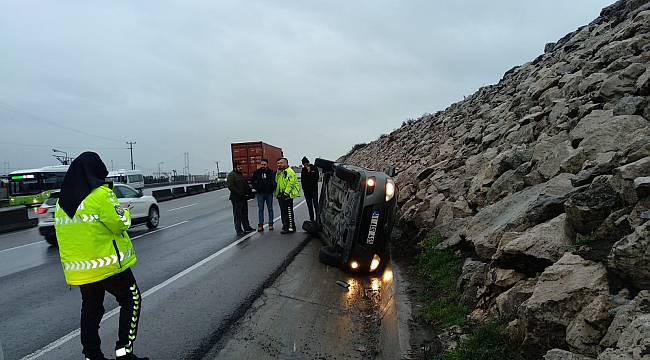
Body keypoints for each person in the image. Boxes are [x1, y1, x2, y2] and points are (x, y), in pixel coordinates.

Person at [54, 152, 148, 360]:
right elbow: (120, 224)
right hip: (108, 265)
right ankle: (124, 352)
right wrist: (124, 212)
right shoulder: (100, 195)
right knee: (131, 300)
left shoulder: (62, 203)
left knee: (91, 311)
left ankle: (92, 355)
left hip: (81, 271)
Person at [227, 161, 254, 236]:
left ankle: (247, 227)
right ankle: (238, 230)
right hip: (236, 198)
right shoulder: (231, 175)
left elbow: (245, 185)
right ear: (235, 167)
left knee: (244, 214)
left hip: (243, 198)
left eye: (240, 167)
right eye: (238, 167)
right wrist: (240, 193)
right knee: (237, 215)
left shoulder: (240, 174)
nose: (240, 168)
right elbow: (231, 186)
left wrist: (249, 193)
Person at [274, 157, 301, 234]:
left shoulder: (289, 171)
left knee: (288, 212)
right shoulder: (281, 172)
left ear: (286, 163)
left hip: (287, 195)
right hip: (281, 195)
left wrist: (286, 193)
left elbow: (291, 183)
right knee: (283, 212)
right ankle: (285, 226)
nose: (279, 165)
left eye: (281, 163)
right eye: (278, 163)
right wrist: (278, 174)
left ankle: (291, 227)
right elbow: (277, 182)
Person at [251, 159, 276, 232]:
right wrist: (257, 188)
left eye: (264, 164)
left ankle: (271, 224)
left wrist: (272, 188)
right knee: (261, 209)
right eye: (262, 164)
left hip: (269, 193)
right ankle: (260, 225)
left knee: (270, 209)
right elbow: (253, 182)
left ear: (267, 164)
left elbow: (274, 181)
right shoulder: (257, 173)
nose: (263, 166)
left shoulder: (270, 172)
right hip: (260, 194)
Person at [300, 157, 320, 222]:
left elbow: (316, 178)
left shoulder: (314, 168)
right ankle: (311, 219)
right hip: (307, 191)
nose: (306, 166)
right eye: (304, 165)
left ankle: (318, 218)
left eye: (306, 164)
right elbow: (303, 180)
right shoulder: (303, 170)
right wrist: (303, 189)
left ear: (308, 162)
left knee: (316, 205)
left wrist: (310, 172)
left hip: (314, 190)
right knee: (309, 205)